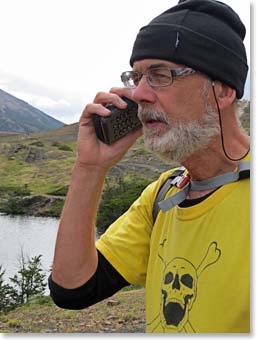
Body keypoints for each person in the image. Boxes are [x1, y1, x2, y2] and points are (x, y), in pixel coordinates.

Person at [48, 0, 250, 333]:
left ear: (222, 90)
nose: (139, 93)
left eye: (159, 75)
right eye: (136, 76)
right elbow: (72, 289)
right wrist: (89, 168)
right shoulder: (163, 195)